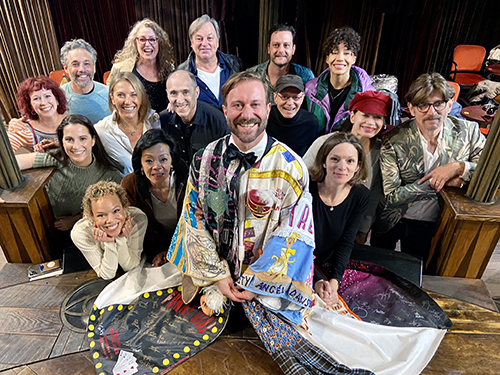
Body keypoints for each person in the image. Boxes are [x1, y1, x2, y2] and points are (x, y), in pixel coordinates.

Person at [371, 73, 486, 262]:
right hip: (394, 218)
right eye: (423, 105)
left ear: (449, 105)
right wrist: (439, 181)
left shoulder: (468, 132)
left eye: (438, 104)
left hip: (438, 221)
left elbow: (488, 173)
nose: (432, 112)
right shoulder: (393, 141)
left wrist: (458, 168)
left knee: (421, 276)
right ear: (411, 108)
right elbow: (391, 195)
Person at [303, 90, 392, 243]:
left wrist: (364, 228)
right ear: (352, 116)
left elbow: (374, 194)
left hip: (349, 226)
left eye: (377, 117)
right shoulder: (325, 143)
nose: (371, 122)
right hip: (313, 219)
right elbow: (301, 177)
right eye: (365, 115)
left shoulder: (381, 152)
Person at [15, 115, 122, 233]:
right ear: (62, 141)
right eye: (69, 139)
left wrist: (74, 220)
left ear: (93, 140)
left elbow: (114, 211)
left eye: (82, 139)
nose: (76, 146)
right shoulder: (56, 157)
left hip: (85, 228)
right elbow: (14, 163)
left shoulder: (109, 174)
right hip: (44, 222)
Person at [309, 132, 370, 305]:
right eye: (335, 159)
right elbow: (295, 242)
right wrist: (317, 280)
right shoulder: (307, 188)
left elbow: (346, 242)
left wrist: (335, 281)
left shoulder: (360, 195)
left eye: (350, 161)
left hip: (328, 263)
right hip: (296, 259)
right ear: (324, 161)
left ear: (358, 166)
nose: (342, 167)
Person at [121, 129, 187, 266]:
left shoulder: (189, 180)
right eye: (149, 161)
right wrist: (158, 251)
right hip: (154, 249)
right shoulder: (130, 185)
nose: (156, 167)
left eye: (163, 159)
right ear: (141, 165)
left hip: (188, 246)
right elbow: (137, 226)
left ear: (172, 161)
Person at [305, 26, 375, 134]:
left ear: (354, 59)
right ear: (327, 58)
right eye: (334, 52)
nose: (340, 58)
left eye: (346, 53)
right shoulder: (310, 89)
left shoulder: (367, 94)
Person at [71, 181, 147, 280]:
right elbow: (107, 275)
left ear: (124, 208)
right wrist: (110, 242)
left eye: (116, 211)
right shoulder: (81, 233)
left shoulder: (138, 219)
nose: (110, 220)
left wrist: (120, 238)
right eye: (101, 215)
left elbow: (130, 267)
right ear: (92, 217)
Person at [95, 72, 160, 176]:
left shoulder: (155, 121)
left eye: (134, 95)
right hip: (125, 190)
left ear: (141, 97)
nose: (127, 101)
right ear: (112, 98)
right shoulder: (101, 131)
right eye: (121, 95)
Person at [160, 70, 229, 168]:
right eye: (173, 93)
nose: (179, 100)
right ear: (167, 95)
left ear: (196, 93)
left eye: (185, 92)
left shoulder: (218, 121)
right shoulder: (163, 121)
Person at [108, 19, 175, 113]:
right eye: (142, 39)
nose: (147, 44)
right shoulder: (120, 68)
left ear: (159, 43)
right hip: (134, 124)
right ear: (135, 43)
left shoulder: (169, 69)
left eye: (152, 39)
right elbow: (110, 101)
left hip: (164, 123)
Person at [177, 14, 244, 108]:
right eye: (199, 39)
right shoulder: (181, 74)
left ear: (217, 42)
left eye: (210, 38)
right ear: (192, 43)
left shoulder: (235, 64)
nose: (204, 44)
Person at [247, 23, 314, 104]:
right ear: (269, 48)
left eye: (286, 45)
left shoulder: (306, 76)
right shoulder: (251, 76)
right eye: (276, 45)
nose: (281, 50)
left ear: (293, 49)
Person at [8, 76, 67, 153]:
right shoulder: (25, 131)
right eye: (36, 98)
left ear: (57, 100)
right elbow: (4, 154)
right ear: (30, 106)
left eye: (47, 96)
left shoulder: (76, 122)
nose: (43, 102)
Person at [60, 39, 111, 124]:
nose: (82, 69)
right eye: (75, 64)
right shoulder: (57, 98)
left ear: (94, 67)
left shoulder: (110, 95)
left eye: (86, 63)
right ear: (66, 68)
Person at [266, 74, 318, 156]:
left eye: (296, 97)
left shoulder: (311, 122)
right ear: (275, 97)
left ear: (302, 98)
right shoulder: (265, 117)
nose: (290, 103)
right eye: (284, 97)